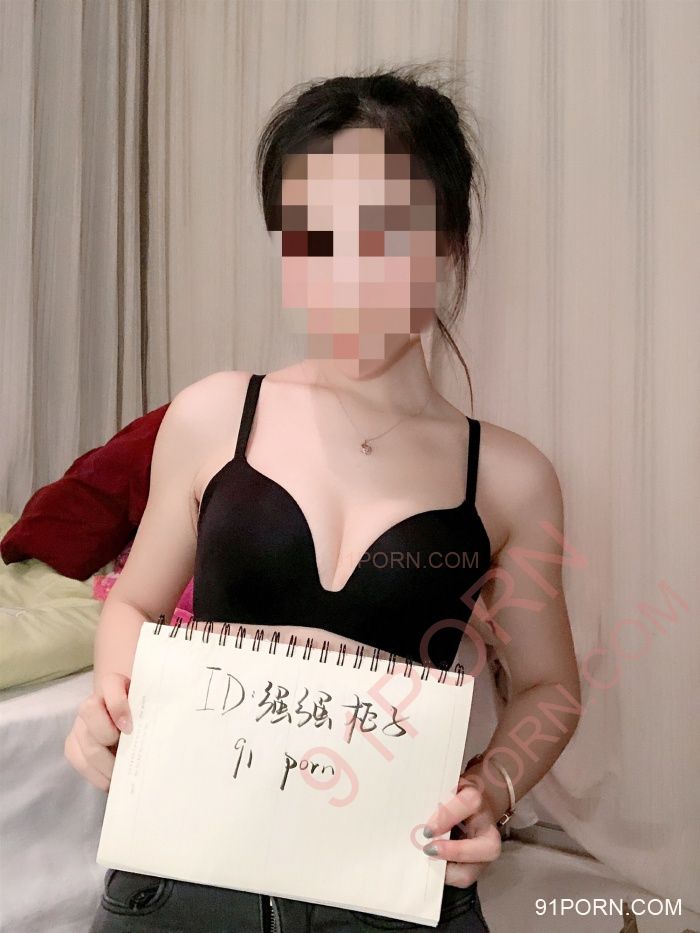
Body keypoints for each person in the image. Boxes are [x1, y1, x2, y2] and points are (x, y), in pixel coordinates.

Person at [65, 66, 581, 932]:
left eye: (385, 231)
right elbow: (137, 605)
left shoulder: (509, 476)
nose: (347, 272)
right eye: (314, 236)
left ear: (448, 239)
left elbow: (549, 686)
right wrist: (113, 699)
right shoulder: (213, 415)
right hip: (187, 864)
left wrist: (488, 790)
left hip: (392, 877)